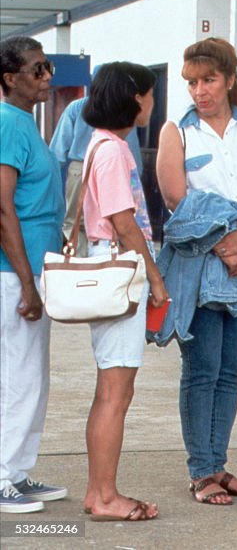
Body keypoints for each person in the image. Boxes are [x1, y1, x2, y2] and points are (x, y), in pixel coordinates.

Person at [156, 38, 237, 505]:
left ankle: (218, 464)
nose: (199, 90)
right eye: (191, 82)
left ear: (228, 78)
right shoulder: (177, 132)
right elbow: (175, 201)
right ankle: (200, 472)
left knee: (231, 370)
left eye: (208, 80)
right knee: (201, 368)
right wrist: (226, 248)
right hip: (198, 258)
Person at [80, 62, 169, 522]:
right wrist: (154, 277)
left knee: (110, 389)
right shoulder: (114, 151)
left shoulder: (104, 145)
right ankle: (106, 496)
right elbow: (122, 220)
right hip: (120, 270)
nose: (152, 103)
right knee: (117, 391)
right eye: (150, 94)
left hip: (110, 265)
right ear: (134, 97)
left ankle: (99, 490)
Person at [0, 37, 67, 513]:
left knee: (32, 377)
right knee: (16, 377)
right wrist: (26, 281)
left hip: (35, 269)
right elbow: (3, 210)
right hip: (12, 274)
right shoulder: (7, 124)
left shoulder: (27, 124)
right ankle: (2, 475)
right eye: (38, 69)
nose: (47, 77)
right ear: (10, 78)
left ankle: (17, 472)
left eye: (48, 68)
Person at [50, 93, 144, 258]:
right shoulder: (123, 108)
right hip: (113, 166)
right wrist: (135, 177)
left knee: (74, 223)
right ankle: (101, 263)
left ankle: (77, 265)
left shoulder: (77, 106)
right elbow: (132, 147)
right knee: (109, 224)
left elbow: (58, 148)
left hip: (80, 167)